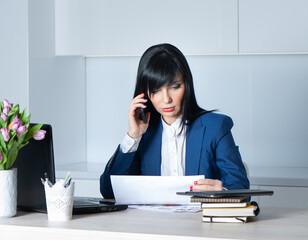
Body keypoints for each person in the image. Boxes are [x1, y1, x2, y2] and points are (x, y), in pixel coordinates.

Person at [100, 43, 249, 199]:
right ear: (145, 94)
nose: (166, 99)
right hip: (152, 222)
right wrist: (133, 137)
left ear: (187, 85)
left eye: (175, 87)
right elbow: (109, 191)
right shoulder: (143, 135)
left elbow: (241, 188)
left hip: (201, 221)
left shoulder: (215, 127)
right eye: (156, 90)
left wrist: (223, 192)